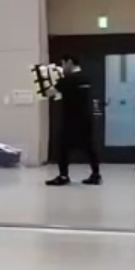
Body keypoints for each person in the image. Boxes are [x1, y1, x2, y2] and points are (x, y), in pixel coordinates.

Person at [45, 55, 101, 185]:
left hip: (70, 120)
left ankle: (63, 176)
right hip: (86, 119)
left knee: (62, 148)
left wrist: (51, 79)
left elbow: (48, 93)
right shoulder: (86, 79)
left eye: (63, 64)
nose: (62, 67)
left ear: (69, 62)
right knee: (89, 147)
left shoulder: (66, 80)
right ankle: (96, 175)